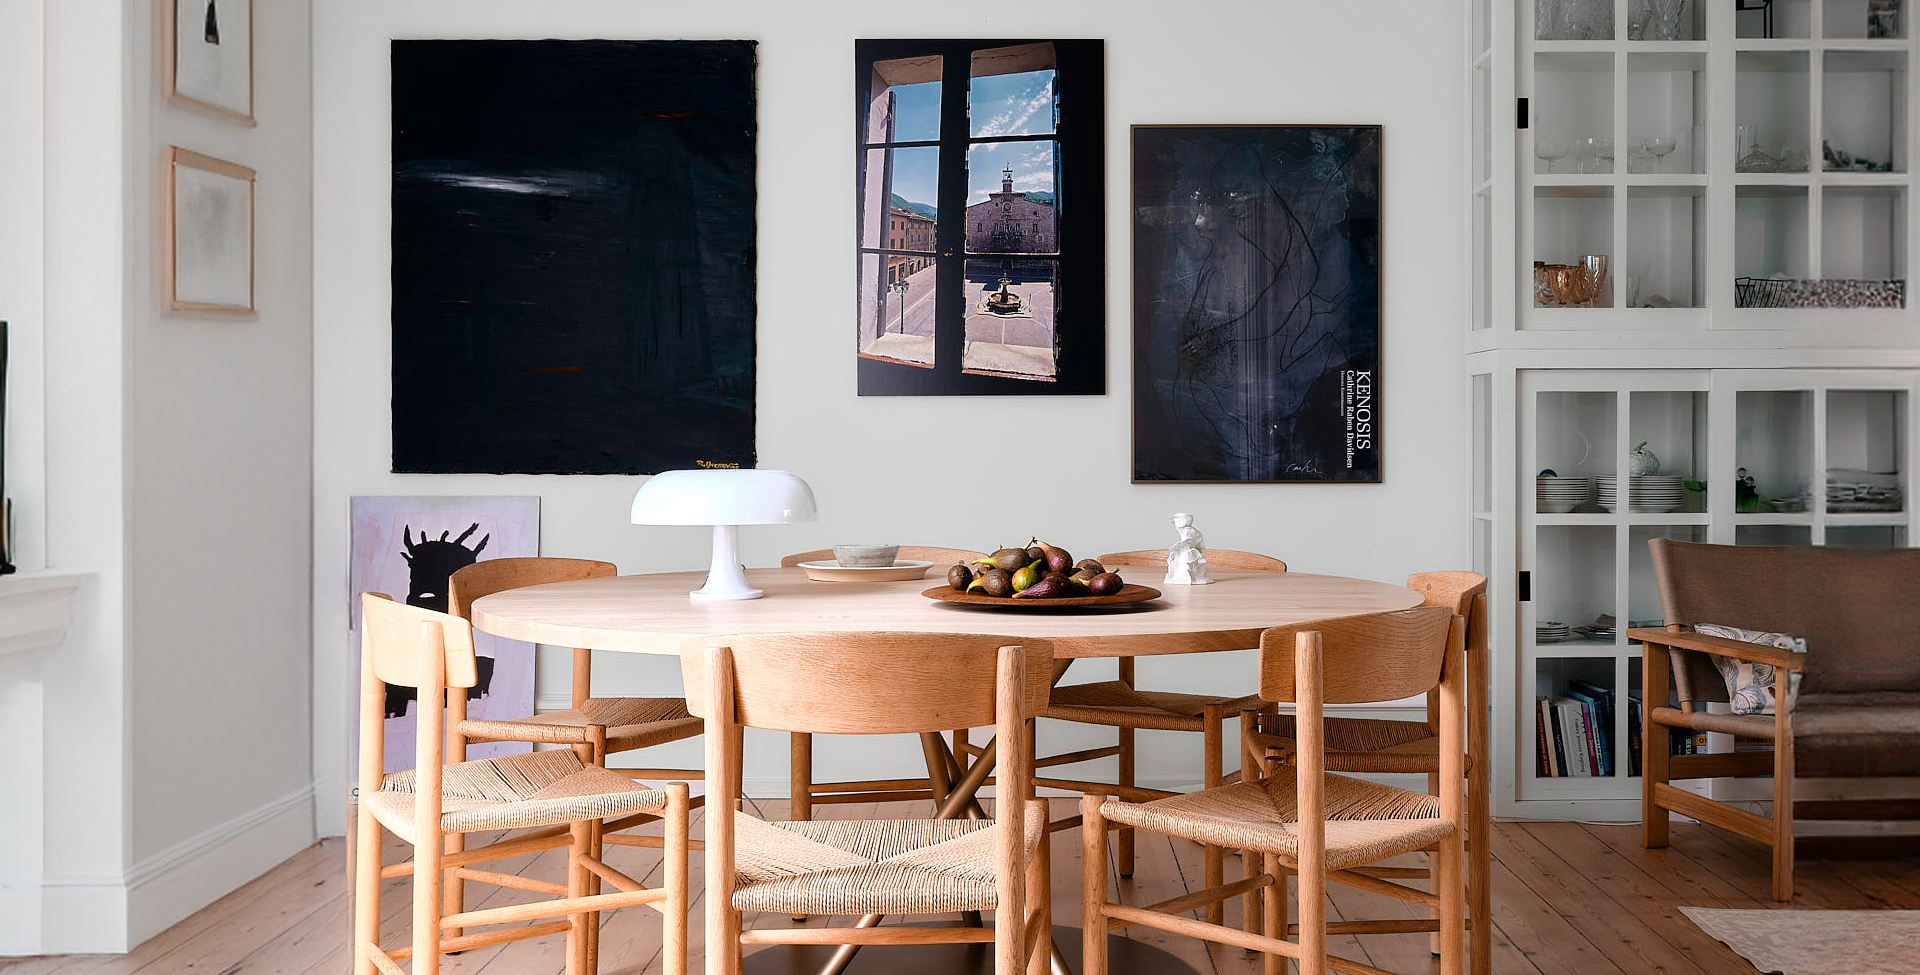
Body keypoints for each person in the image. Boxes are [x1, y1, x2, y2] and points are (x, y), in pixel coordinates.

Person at [1165, 512, 1212, 585]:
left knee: (1187, 563)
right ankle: (1184, 576)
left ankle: (1188, 577)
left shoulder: (1188, 531)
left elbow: (1193, 541)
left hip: (1188, 552)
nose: (1176, 525)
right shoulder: (1189, 531)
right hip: (1185, 552)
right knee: (1183, 563)